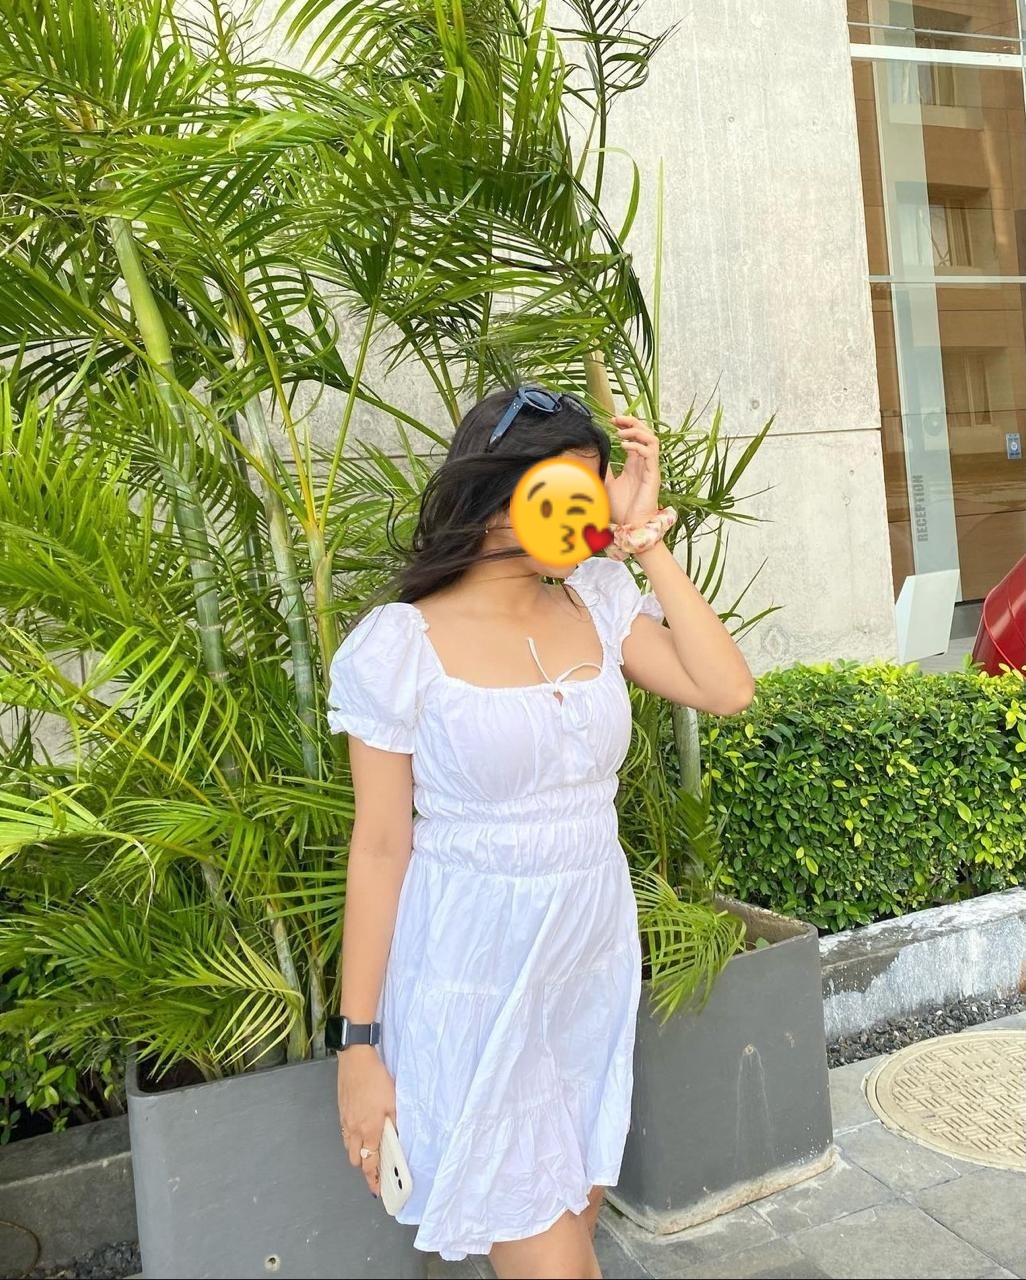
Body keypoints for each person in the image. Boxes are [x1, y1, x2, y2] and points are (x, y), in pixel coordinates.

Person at [326, 385, 755, 1279]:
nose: (586, 512)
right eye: (569, 489)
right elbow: (380, 848)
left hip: (587, 965)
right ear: (496, 494)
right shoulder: (398, 645)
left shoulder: (595, 600)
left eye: (596, 491)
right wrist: (358, 1046)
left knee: (569, 1217)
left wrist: (644, 542)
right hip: (473, 976)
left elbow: (724, 688)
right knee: (554, 1260)